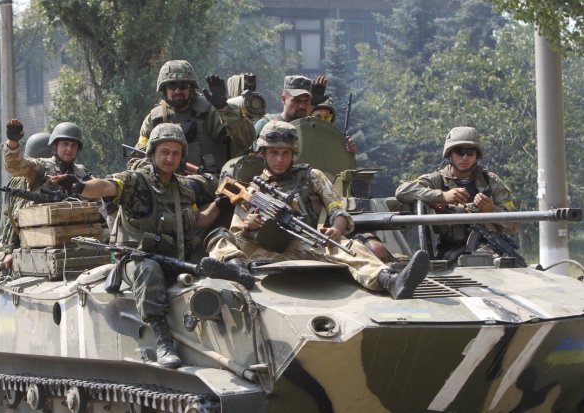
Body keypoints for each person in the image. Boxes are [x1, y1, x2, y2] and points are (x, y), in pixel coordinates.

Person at [51, 123, 251, 368]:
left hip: (176, 257)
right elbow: (107, 186)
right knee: (149, 268)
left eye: (175, 153)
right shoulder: (136, 181)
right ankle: (162, 339)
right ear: (153, 152)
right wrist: (81, 187)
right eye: (164, 152)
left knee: (218, 234)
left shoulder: (184, 188)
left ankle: (236, 270)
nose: (170, 158)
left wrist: (221, 202)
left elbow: (198, 221)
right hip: (136, 260)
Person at [207, 120, 430, 300]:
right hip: (267, 251)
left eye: (285, 153)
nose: (280, 159)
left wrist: (336, 229)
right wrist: (249, 225)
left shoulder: (312, 177)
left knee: (349, 248)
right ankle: (236, 271)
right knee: (220, 238)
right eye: (274, 153)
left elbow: (337, 209)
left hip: (308, 240)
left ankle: (390, 281)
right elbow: (238, 232)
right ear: (263, 154)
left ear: (293, 154)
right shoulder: (252, 190)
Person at [395, 126, 519, 267]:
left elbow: (514, 226)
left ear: (477, 155)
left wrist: (491, 211)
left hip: (494, 249)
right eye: (459, 152)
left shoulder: (491, 181)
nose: (465, 157)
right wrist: (442, 196)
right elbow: (402, 191)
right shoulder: (437, 180)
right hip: (452, 253)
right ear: (450, 154)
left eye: (470, 152)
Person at [134, 59, 255, 175]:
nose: (177, 91)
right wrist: (155, 169)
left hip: (210, 184)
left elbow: (246, 141)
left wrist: (224, 109)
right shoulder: (155, 119)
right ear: (164, 89)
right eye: (172, 85)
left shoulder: (211, 112)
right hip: (165, 185)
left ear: (191, 88)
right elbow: (137, 159)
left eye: (183, 86)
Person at [0, 132, 52, 277]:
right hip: (23, 241)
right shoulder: (20, 182)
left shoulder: (61, 176)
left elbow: (5, 222)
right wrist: (10, 250)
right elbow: (11, 220)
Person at [2, 119, 92, 195]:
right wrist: (13, 141)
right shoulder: (40, 167)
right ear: (56, 145)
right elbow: (14, 166)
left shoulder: (82, 172)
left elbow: (98, 192)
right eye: (65, 144)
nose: (69, 149)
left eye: (73, 145)